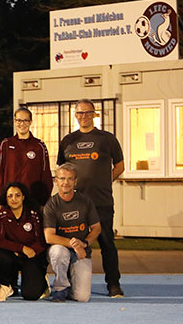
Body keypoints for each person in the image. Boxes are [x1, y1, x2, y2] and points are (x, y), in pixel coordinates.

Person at [57, 98, 125, 297]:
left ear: (94, 115)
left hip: (101, 202)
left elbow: (120, 166)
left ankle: (113, 284)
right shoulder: (68, 140)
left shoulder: (107, 138)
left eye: (87, 113)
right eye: (79, 113)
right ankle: (72, 283)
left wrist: (105, 181)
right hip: (75, 203)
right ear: (75, 116)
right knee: (76, 244)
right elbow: (62, 169)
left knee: (107, 244)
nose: (83, 116)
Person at [44, 163, 101, 302]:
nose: (66, 182)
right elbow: (49, 237)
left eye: (70, 179)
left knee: (82, 297)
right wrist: (75, 245)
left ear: (75, 181)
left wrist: (85, 243)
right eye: (62, 178)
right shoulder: (51, 205)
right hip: (62, 249)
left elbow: (96, 228)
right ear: (56, 180)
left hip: (81, 251)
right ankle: (60, 288)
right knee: (58, 252)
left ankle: (71, 282)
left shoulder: (85, 201)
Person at [0, 182, 48, 301]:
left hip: (31, 256)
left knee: (31, 295)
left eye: (17, 195)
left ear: (23, 197)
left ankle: (42, 281)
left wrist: (27, 252)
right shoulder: (1, 215)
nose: (14, 199)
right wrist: (21, 248)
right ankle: (6, 286)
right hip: (13, 255)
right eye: (10, 196)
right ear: (6, 198)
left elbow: (41, 242)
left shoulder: (33, 215)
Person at [0, 108, 53, 212]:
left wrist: (43, 201)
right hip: (10, 201)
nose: (22, 124)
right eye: (19, 120)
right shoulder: (6, 144)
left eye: (25, 120)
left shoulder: (39, 146)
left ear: (30, 122)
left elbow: (46, 175)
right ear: (15, 121)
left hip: (32, 201)